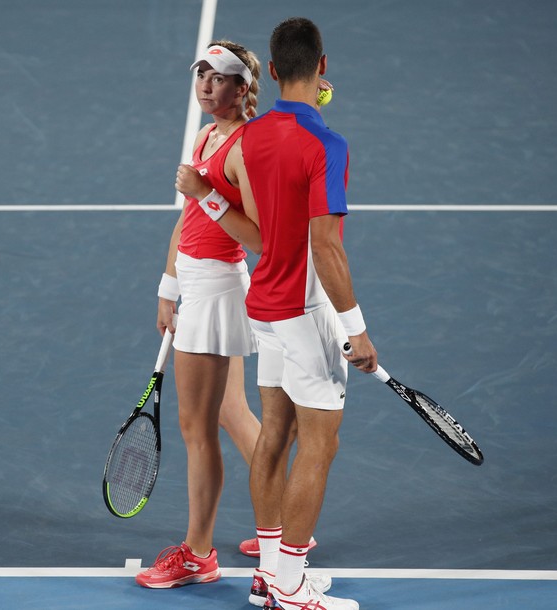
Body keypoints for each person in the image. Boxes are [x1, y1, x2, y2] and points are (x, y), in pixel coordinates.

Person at [235, 17, 378, 610]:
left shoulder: (249, 138)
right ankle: (292, 584)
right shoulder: (328, 144)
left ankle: (269, 572)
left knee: (275, 434)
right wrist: (357, 330)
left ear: (270, 72)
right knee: (320, 444)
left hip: (263, 305)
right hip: (305, 310)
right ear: (323, 66)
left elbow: (258, 233)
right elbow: (326, 246)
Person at [134, 39, 264, 590]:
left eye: (220, 77)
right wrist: (168, 286)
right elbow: (187, 222)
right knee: (232, 410)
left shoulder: (243, 148)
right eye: (201, 74)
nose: (207, 84)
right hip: (195, 281)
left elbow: (260, 238)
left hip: (216, 290)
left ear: (243, 88)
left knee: (196, 429)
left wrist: (208, 194)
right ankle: (285, 527)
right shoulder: (208, 133)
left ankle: (199, 554)